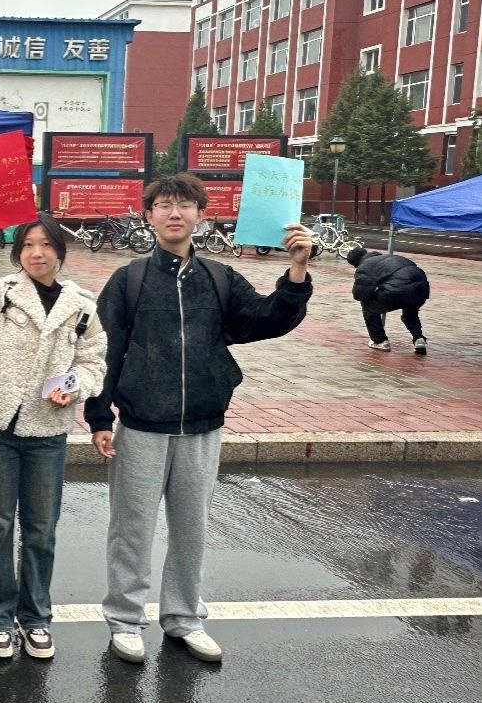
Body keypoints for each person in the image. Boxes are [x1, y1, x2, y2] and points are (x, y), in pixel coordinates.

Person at [84, 173, 314, 665]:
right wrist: (100, 416)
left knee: (192, 531)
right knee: (132, 529)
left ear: (200, 214)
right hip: (141, 425)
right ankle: (125, 620)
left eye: (185, 205)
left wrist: (296, 272)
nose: (175, 213)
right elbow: (105, 349)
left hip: (203, 427)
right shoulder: (129, 279)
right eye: (164, 205)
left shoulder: (219, 277)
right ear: (148, 215)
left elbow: (266, 319)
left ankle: (185, 618)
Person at [0, 190, 107, 661]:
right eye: (27, 245)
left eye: (45, 245)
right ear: (17, 252)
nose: (37, 253)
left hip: (48, 432)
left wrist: (73, 386)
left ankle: (36, 617)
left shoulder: (81, 306)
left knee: (41, 529)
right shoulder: (2, 296)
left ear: (60, 251)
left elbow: (94, 363)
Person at [345, 246, 430, 354]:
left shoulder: (364, 267)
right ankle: (419, 339)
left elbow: (360, 294)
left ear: (355, 264)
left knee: (368, 305)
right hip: (422, 289)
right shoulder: (390, 257)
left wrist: (373, 291)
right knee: (410, 311)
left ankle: (380, 341)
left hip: (399, 291)